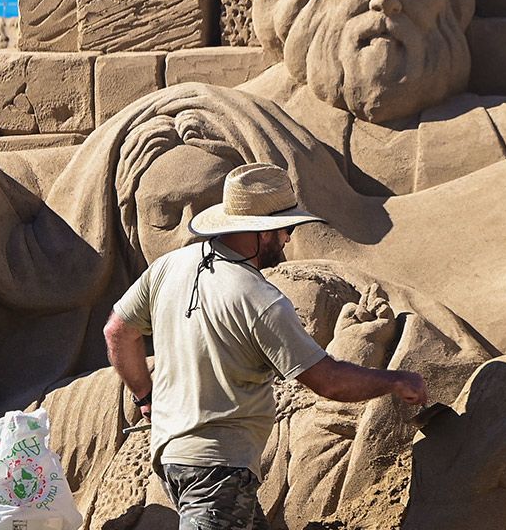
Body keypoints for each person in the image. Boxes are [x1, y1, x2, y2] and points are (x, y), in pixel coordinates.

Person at [103, 162, 428, 530]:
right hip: (217, 470)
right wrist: (396, 382)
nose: (289, 238)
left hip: (173, 459)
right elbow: (329, 381)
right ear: (262, 232)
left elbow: (117, 332)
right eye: (286, 228)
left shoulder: (169, 267)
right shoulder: (260, 299)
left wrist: (145, 397)